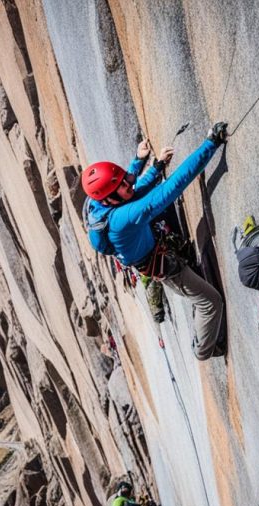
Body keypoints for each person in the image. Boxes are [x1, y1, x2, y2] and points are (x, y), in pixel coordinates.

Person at [82, 122, 229, 360]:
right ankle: (203, 350)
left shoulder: (99, 204)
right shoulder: (121, 218)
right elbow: (170, 188)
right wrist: (210, 144)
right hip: (162, 266)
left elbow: (133, 187)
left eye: (125, 179)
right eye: (122, 185)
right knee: (211, 302)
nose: (128, 183)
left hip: (153, 246)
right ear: (110, 198)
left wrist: (146, 163)